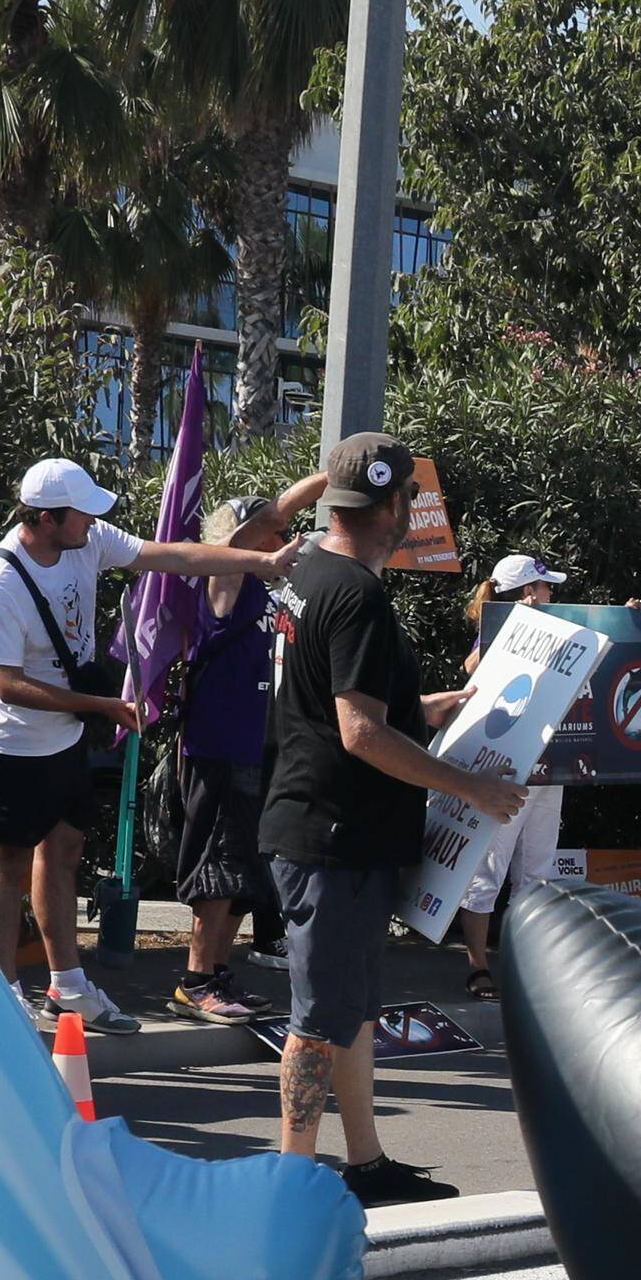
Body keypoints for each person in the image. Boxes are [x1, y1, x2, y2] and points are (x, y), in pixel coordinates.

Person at [266, 437, 515, 1203]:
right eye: (410, 493)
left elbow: (346, 702)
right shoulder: (360, 595)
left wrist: (423, 708)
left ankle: (365, 1162)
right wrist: (469, 786)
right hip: (334, 837)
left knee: (353, 1009)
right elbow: (358, 732)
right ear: (388, 504)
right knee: (319, 1018)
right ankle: (292, 1179)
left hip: (328, 829)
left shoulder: (308, 569)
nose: (416, 507)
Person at [0, 457, 297, 1040]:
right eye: (82, 513)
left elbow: (174, 554)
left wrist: (262, 561)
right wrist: (101, 707)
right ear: (48, 519)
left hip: (66, 733)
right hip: (17, 740)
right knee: (9, 858)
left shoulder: (88, 539)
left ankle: (66, 985)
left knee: (65, 848)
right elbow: (5, 682)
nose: (94, 522)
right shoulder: (0, 579)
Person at [156, 493, 295, 1026]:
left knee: (243, 872)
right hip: (217, 745)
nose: (283, 541)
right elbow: (237, 542)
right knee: (215, 866)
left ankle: (216, 973)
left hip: (255, 746)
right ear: (247, 534)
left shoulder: (264, 587)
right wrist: (334, 471)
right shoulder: (226, 579)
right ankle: (194, 981)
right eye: (273, 532)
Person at [454, 553, 564, 995]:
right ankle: (478, 967)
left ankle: (524, 967)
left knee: (538, 875)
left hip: (550, 767)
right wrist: (522, 628)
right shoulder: (495, 638)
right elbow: (474, 669)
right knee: (488, 871)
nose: (551, 594)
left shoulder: (561, 633)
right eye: (544, 587)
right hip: (506, 768)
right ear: (527, 593)